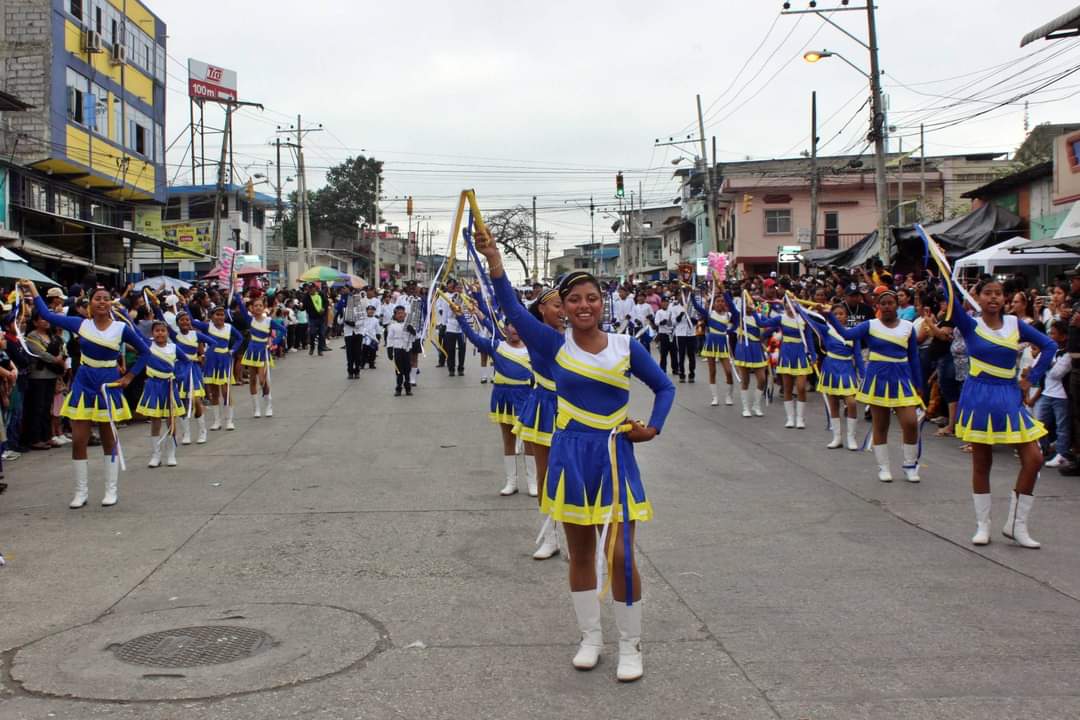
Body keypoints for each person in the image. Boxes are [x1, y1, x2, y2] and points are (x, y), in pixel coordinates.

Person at [479, 228, 675, 683]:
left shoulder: (626, 346)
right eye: (574, 300)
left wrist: (652, 428)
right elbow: (511, 308)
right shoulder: (553, 346)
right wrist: (495, 263)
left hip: (614, 457)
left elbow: (664, 387)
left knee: (621, 555)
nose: (584, 305)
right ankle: (590, 638)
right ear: (563, 308)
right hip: (570, 456)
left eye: (592, 298)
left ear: (602, 303)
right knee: (581, 553)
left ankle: (630, 644)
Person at [948, 278, 1056, 547]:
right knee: (982, 462)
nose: (994, 298)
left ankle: (1016, 525)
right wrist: (942, 267)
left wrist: (1032, 378)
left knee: (1034, 458)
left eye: (998, 293)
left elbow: (1050, 346)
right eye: (988, 293)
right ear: (978, 297)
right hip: (979, 396)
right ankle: (982, 526)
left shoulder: (1014, 324)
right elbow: (949, 293)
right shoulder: (970, 324)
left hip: (1009, 395)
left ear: (1005, 298)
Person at [22, 279, 148, 507]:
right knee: (79, 440)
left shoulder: (121, 328)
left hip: (108, 384)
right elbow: (47, 315)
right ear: (90, 303)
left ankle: (111, 490)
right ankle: (81, 492)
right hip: (84, 383)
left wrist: (129, 377)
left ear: (111, 303)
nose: (102, 302)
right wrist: (32, 289)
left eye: (106, 299)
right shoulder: (81, 324)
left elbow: (145, 352)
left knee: (109, 439)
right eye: (97, 299)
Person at [826, 290, 923, 483]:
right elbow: (846, 333)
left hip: (902, 379)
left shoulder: (908, 326)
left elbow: (913, 357)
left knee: (911, 423)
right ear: (877, 306)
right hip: (878, 378)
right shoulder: (870, 325)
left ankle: (910, 465)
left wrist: (918, 385)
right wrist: (829, 315)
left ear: (896, 305)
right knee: (881, 424)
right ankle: (883, 467)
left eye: (890, 303)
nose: (887, 306)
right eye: (883, 303)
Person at [452, 300, 535, 496]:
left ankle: (533, 482)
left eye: (518, 326)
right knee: (508, 440)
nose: (515, 330)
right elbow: (473, 337)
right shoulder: (496, 346)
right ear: (505, 329)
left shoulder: (532, 348)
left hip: (526, 397)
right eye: (511, 326)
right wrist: (460, 317)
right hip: (503, 397)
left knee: (529, 440)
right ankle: (511, 482)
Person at [516, 287, 565, 560]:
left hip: (574, 408)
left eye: (565, 304)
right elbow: (510, 307)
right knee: (545, 475)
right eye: (557, 305)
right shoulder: (534, 334)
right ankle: (550, 537)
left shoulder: (578, 335)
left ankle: (577, 540)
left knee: (574, 475)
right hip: (544, 407)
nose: (562, 310)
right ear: (542, 309)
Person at [799, 303, 863, 449]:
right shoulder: (826, 329)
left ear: (847, 316)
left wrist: (864, 375)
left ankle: (851, 438)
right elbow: (809, 320)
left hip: (847, 368)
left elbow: (858, 355)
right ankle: (837, 437)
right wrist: (797, 305)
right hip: (830, 367)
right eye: (836, 314)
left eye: (842, 314)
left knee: (852, 402)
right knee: (833, 403)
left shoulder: (854, 332)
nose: (839, 316)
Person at [129, 319, 184, 468]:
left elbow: (186, 361)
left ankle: (171, 454)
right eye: (157, 331)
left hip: (169, 386)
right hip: (153, 386)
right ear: (152, 333)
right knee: (155, 420)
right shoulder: (148, 345)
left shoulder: (173, 347)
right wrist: (124, 314)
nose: (160, 333)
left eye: (163, 330)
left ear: (167, 332)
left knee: (171, 420)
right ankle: (156, 455)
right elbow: (135, 330)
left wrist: (180, 375)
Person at [192, 305, 243, 432]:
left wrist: (233, 350)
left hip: (224, 360)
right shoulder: (207, 327)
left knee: (226, 392)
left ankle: (229, 420)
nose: (220, 317)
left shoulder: (229, 327)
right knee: (214, 393)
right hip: (211, 360)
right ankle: (217, 421)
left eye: (222, 314)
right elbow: (192, 321)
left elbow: (240, 338)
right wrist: (185, 305)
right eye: (217, 314)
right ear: (211, 316)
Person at [725, 288, 769, 418]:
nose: (748, 306)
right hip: (743, 349)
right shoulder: (739, 316)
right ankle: (746, 408)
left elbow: (768, 328)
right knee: (745, 380)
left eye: (750, 304)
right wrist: (723, 290)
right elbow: (730, 303)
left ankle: (756, 406)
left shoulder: (760, 317)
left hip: (757, 349)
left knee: (762, 379)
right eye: (746, 304)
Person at [1033, 320, 1071, 468]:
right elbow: (1035, 365)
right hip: (1047, 392)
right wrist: (1048, 363)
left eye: (1053, 333)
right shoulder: (1050, 351)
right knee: (1039, 423)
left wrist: (1046, 363)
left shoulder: (1067, 353)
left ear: (1063, 336)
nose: (1050, 336)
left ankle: (1062, 454)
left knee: (1062, 427)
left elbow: (1057, 373)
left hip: (1061, 395)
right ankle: (1044, 448)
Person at [689, 291, 734, 406]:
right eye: (718, 301)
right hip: (711, 344)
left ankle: (729, 396)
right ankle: (715, 397)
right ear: (714, 304)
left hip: (723, 344)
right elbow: (697, 307)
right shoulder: (709, 314)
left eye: (722, 301)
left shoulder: (728, 315)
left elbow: (737, 324)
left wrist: (730, 331)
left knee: (729, 372)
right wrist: (692, 295)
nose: (720, 303)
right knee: (712, 371)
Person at [235, 294, 273, 418]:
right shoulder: (250, 319)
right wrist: (236, 293)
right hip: (251, 353)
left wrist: (273, 343)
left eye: (260, 305)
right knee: (252, 380)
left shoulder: (268, 321)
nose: (258, 307)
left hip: (262, 352)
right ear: (251, 308)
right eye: (255, 306)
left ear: (264, 307)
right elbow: (241, 306)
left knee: (262, 380)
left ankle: (268, 405)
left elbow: (283, 330)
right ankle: (256, 409)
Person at [669, 290, 696, 383]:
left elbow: (697, 320)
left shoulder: (692, 307)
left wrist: (691, 319)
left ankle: (692, 373)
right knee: (681, 354)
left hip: (691, 333)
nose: (683, 297)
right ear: (678, 297)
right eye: (681, 295)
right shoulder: (674, 308)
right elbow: (673, 322)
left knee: (691, 355)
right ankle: (682, 374)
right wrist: (680, 315)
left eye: (685, 295)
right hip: (680, 334)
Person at [386, 305, 413, 396]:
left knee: (407, 369)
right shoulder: (392, 326)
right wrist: (389, 349)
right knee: (399, 370)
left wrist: (412, 331)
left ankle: (408, 388)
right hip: (397, 348)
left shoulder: (409, 324)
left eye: (402, 313)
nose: (400, 315)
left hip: (407, 348)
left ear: (405, 314)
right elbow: (390, 338)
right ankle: (398, 388)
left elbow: (414, 337)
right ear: (395, 315)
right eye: (398, 313)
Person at [653, 296, 675, 373]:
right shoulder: (659, 312)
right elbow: (656, 322)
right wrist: (662, 322)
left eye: (667, 302)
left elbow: (674, 321)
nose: (665, 303)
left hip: (671, 334)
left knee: (673, 352)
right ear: (661, 303)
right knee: (663, 353)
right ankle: (663, 368)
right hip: (663, 334)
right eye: (664, 302)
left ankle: (675, 368)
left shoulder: (671, 311)